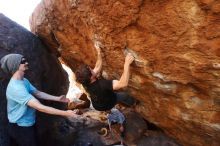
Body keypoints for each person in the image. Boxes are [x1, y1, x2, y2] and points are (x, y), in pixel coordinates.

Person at [0, 54, 78, 146]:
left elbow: (37, 93)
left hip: (28, 123)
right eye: (23, 61)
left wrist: (57, 98)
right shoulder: (16, 88)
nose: (27, 62)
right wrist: (66, 113)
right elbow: (40, 107)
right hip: (20, 127)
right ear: (15, 65)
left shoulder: (23, 80)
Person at [75, 43, 135, 111]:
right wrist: (127, 64)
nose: (93, 69)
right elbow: (123, 83)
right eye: (91, 70)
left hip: (96, 105)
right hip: (108, 104)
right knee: (125, 95)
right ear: (91, 77)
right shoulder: (102, 84)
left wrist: (99, 53)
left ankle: (116, 105)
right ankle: (133, 104)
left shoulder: (84, 81)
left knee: (107, 95)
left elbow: (97, 67)